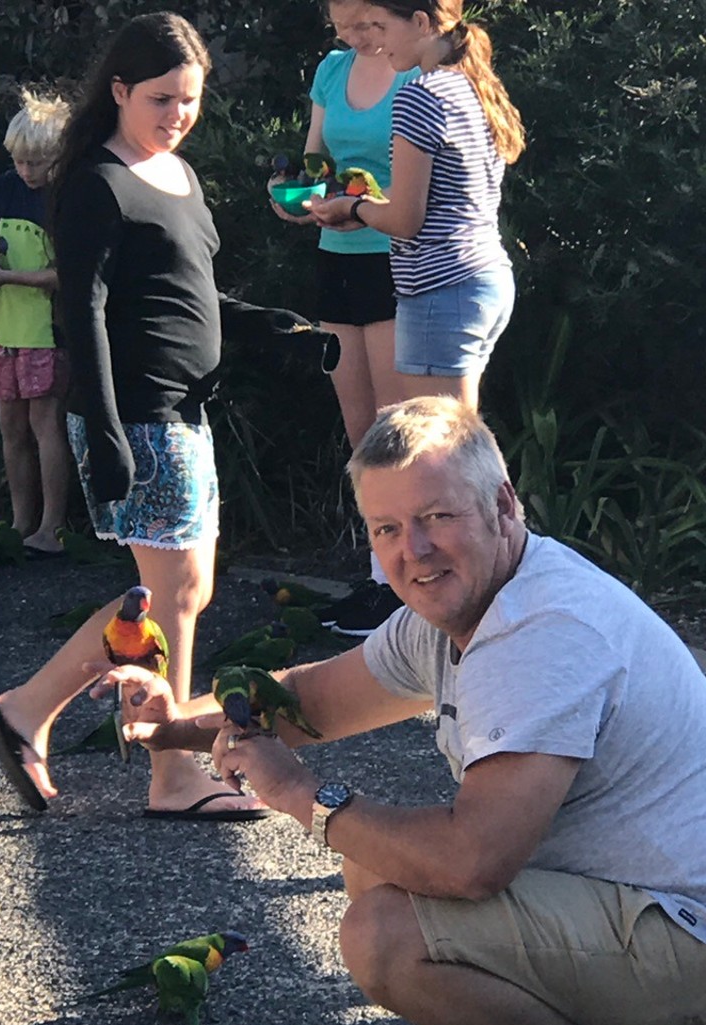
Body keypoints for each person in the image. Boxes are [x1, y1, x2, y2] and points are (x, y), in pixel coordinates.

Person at [96, 395, 706, 1025]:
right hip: (648, 911)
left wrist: (300, 795)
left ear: (505, 504)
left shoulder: (541, 632)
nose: (414, 551)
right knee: (379, 862)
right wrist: (168, 721)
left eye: (437, 517)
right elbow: (313, 701)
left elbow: (475, 862)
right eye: (387, 529)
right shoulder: (460, 610)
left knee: (387, 933)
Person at [0, 11, 269, 820]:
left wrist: (265, 325)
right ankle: (172, 775)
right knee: (171, 595)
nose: (177, 114)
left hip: (187, 413)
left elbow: (188, 291)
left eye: (189, 99)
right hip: (137, 417)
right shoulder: (96, 184)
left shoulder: (178, 175)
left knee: (181, 592)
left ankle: (26, 709)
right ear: (118, 91)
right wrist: (105, 432)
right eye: (160, 98)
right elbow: (86, 310)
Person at [269, 0, 418, 638]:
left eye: (363, 23)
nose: (353, 37)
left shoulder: (417, 72)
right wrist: (296, 199)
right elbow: (313, 163)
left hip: (398, 259)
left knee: (398, 430)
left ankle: (415, 583)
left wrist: (357, 208)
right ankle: (381, 577)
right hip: (339, 261)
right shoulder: (331, 70)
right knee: (361, 432)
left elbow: (420, 191)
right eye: (342, 26)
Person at [309, 1, 524, 413]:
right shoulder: (471, 83)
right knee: (462, 447)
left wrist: (353, 210)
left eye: (382, 27)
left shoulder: (418, 97)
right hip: (483, 278)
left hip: (440, 288)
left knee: (438, 452)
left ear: (421, 22)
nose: (378, 41)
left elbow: (405, 219)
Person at [0, 89, 72, 557]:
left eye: (37, 162)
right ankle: (19, 521)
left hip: (48, 330)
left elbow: (68, 273)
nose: (27, 172)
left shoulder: (67, 196)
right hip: (5, 327)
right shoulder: (5, 188)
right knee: (11, 424)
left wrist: (9, 276)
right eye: (21, 162)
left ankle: (53, 527)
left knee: (44, 421)